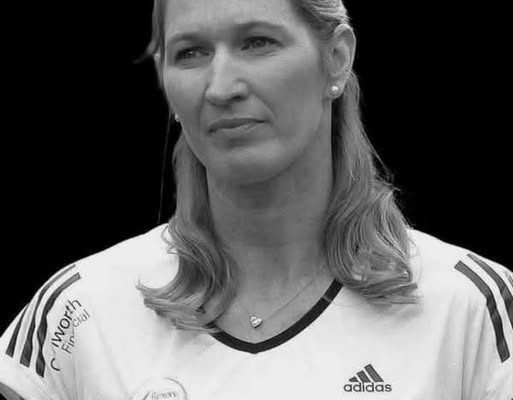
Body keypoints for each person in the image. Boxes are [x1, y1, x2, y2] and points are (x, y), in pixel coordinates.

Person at [1, 0, 512, 398]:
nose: (221, 87)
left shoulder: (471, 308)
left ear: (336, 58)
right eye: (190, 52)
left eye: (257, 42)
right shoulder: (80, 312)